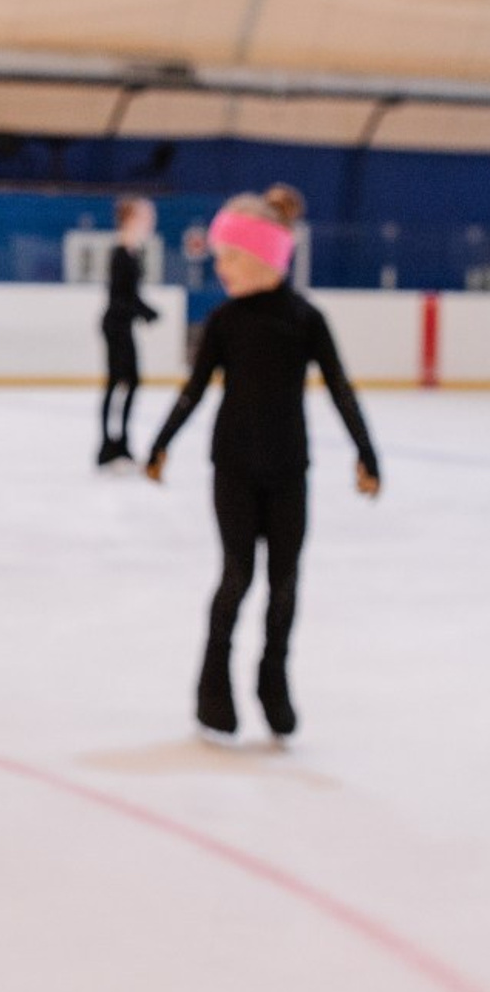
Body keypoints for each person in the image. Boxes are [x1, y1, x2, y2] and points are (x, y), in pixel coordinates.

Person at [145, 184, 380, 739]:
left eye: (229, 255)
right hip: (233, 468)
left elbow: (342, 389)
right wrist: (161, 443)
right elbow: (194, 390)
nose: (220, 266)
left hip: (288, 471)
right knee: (236, 575)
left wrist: (367, 454)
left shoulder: (306, 319)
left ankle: (273, 686)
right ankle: (213, 692)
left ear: (259, 255)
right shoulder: (225, 321)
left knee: (285, 583)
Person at [98, 195, 160, 466]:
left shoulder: (131, 250)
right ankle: (109, 445)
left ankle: (119, 442)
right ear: (131, 218)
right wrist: (146, 312)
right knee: (118, 383)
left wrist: (143, 311)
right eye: (146, 216)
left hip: (123, 323)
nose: (151, 221)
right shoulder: (121, 252)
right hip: (116, 324)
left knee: (129, 382)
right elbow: (120, 296)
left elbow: (129, 295)